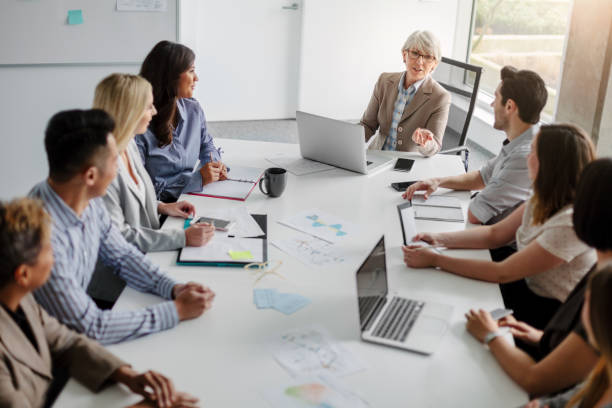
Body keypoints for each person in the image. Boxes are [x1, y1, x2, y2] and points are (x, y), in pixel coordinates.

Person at [29, 109, 215, 345]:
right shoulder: (44, 240)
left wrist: (174, 288)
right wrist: (176, 311)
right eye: (115, 160)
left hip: (71, 330)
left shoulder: (86, 199)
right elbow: (92, 326)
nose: (120, 169)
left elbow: (122, 256)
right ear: (90, 176)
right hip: (40, 354)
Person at [0, 198, 198, 408]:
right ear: (23, 274)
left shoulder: (21, 298)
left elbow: (65, 342)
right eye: (49, 250)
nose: (56, 256)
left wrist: (125, 374)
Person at [403, 124, 597, 330]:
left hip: (547, 314)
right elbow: (494, 235)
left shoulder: (569, 224)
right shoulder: (543, 197)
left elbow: (502, 272)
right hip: (525, 286)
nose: (527, 157)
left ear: (549, 165)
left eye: (533, 152)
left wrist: (435, 259)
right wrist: (439, 239)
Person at [462, 158, 612, 397]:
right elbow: (585, 349)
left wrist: (490, 335)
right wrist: (536, 336)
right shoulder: (602, 267)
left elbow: (535, 381)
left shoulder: (606, 287)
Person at [404, 66, 548, 226]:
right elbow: (482, 177)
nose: (492, 104)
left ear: (509, 106)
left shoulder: (525, 156)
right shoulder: (521, 140)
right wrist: (438, 181)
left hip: (497, 245)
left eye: (496, 97)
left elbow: (476, 213)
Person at [93, 73, 215, 252]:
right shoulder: (102, 167)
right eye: (149, 107)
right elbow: (118, 237)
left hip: (150, 243)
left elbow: (136, 198)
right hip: (126, 265)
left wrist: (163, 207)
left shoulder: (128, 145)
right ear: (129, 111)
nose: (155, 112)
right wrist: (182, 237)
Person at [135, 40, 227, 203]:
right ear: (170, 77)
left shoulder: (193, 109)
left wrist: (213, 163)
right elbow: (142, 194)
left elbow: (206, 144)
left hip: (195, 196)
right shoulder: (139, 127)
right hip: (163, 212)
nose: (196, 78)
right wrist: (197, 180)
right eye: (191, 71)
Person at [522, 263, 612, 408]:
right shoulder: (602, 371)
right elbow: (560, 402)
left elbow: (533, 380)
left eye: (587, 300)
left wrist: (492, 335)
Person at [360, 30, 451, 157]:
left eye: (428, 57)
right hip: (377, 155)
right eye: (415, 53)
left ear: (434, 64)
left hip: (408, 163)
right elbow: (367, 125)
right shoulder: (384, 81)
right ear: (404, 55)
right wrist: (347, 142)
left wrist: (425, 143)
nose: (420, 62)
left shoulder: (440, 97)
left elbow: (434, 146)